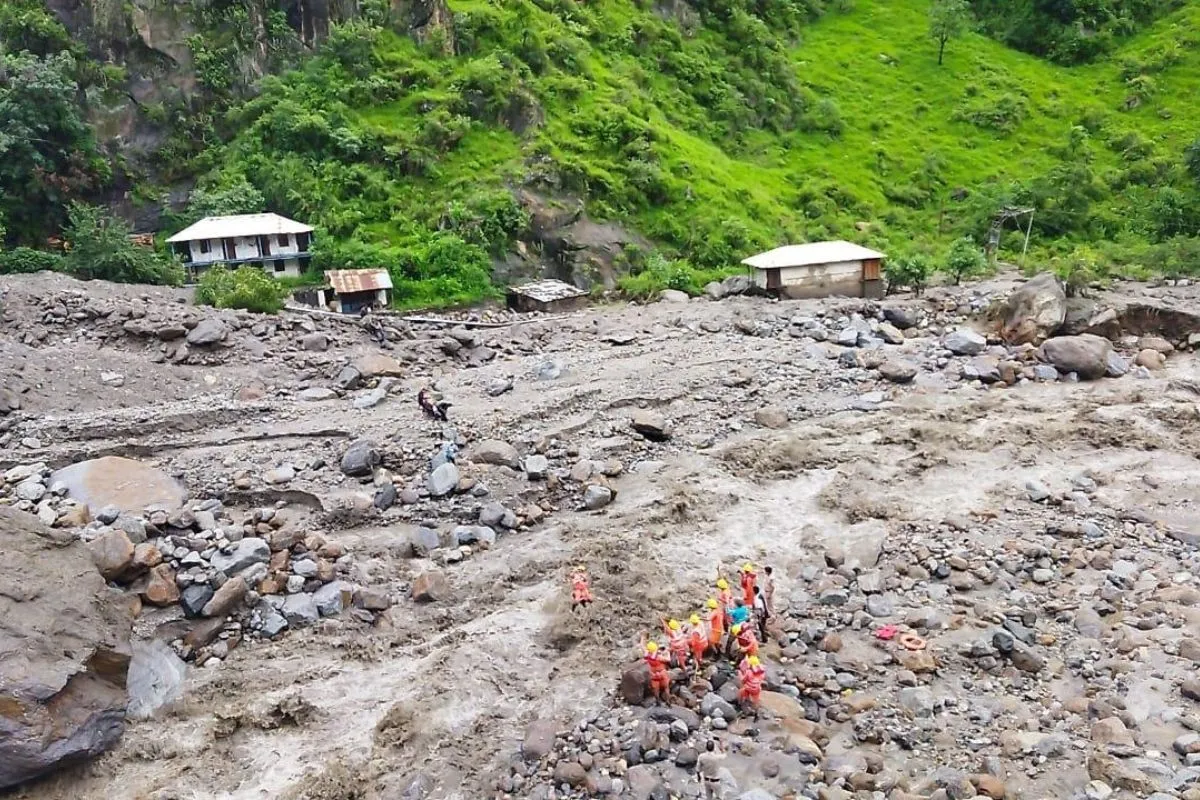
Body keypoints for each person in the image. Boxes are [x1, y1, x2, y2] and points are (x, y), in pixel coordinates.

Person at [643, 640, 671, 704]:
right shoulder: (658, 657)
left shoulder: (646, 656)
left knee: (656, 689)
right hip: (662, 673)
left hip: (653, 674)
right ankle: (668, 701)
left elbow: (643, 646)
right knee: (666, 688)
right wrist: (668, 653)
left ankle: (658, 701)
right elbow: (668, 659)